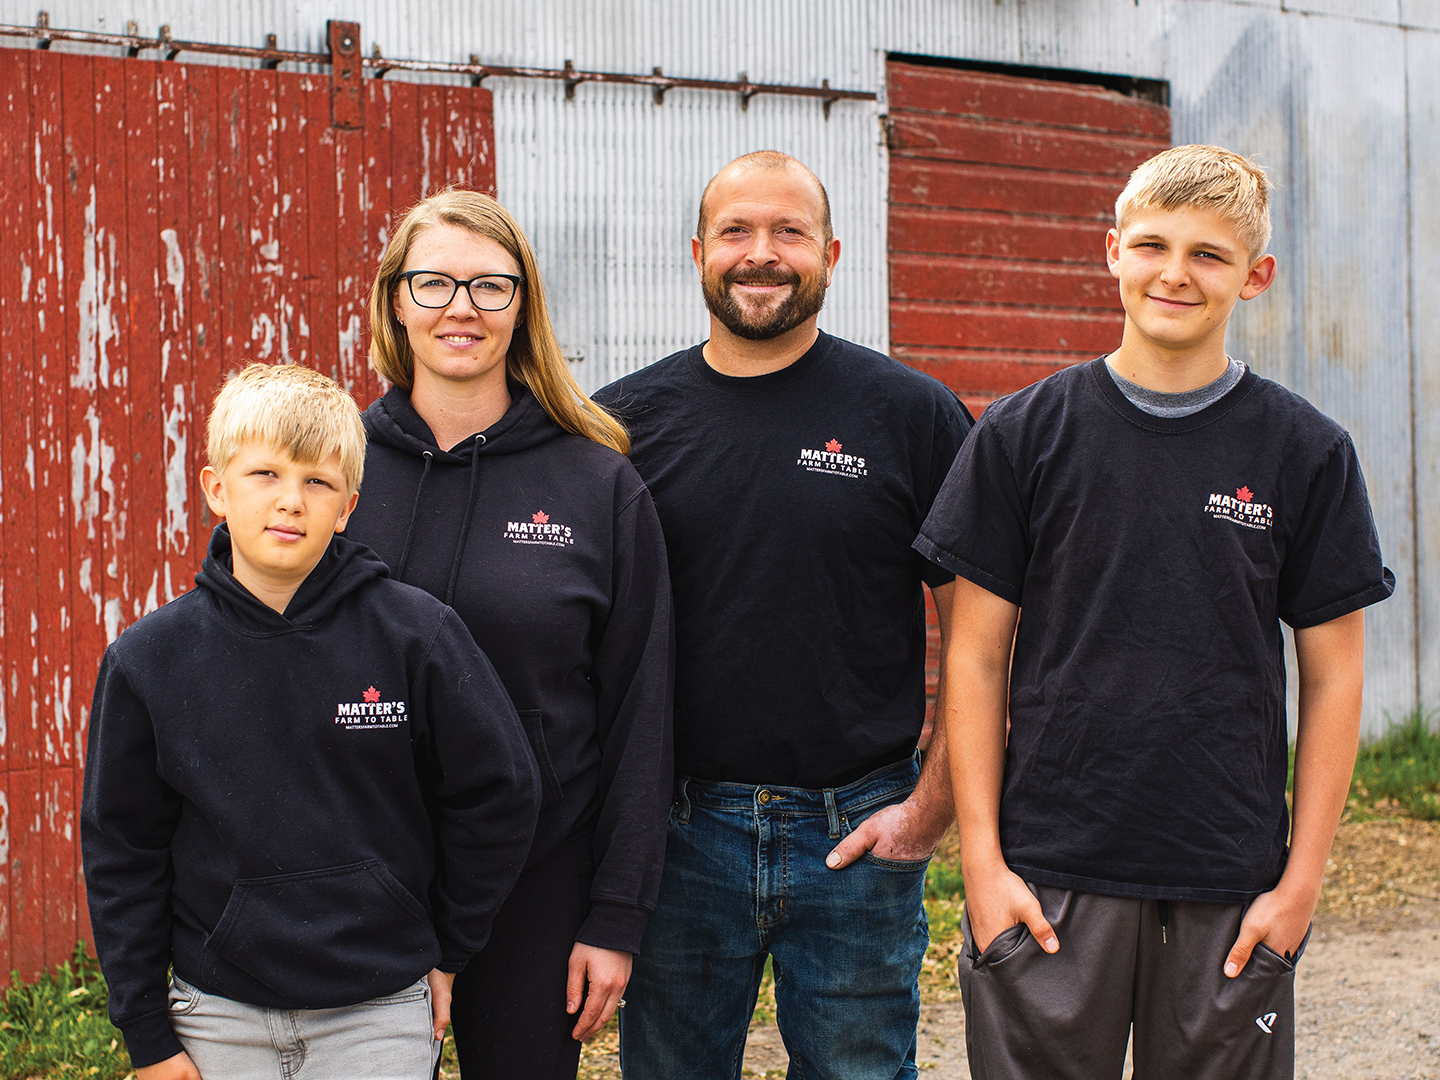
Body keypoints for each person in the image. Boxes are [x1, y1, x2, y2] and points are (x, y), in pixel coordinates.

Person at [915, 144, 1395, 1080]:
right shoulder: (1024, 433)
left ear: (1254, 276)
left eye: (1209, 255)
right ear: (1111, 252)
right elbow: (972, 659)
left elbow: (1335, 676)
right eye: (1152, 245)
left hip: (1229, 873)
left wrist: (1300, 885)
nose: (1175, 274)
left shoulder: (1305, 450)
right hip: (1050, 871)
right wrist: (982, 862)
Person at [593, 151, 973, 1080]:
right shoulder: (621, 427)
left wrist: (929, 809)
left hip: (858, 829)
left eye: (788, 232)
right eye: (737, 231)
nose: (761, 254)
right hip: (679, 833)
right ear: (697, 253)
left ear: (832, 254)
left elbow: (985, 637)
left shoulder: (912, 415)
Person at [80, 363, 541, 1080]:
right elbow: (122, 852)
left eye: (318, 482)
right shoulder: (149, 660)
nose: (290, 502)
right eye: (264, 474)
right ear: (215, 489)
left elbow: (502, 792)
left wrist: (449, 949)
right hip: (215, 1013)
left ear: (349, 504)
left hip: (378, 1010)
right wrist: (149, 1036)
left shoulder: (416, 636)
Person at [344, 189, 673, 1080]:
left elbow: (642, 712)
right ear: (394, 301)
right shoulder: (331, 468)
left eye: (490, 286)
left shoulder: (596, 484)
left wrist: (614, 916)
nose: (461, 308)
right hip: (359, 870)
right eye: (435, 283)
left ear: (522, 306)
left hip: (538, 878)